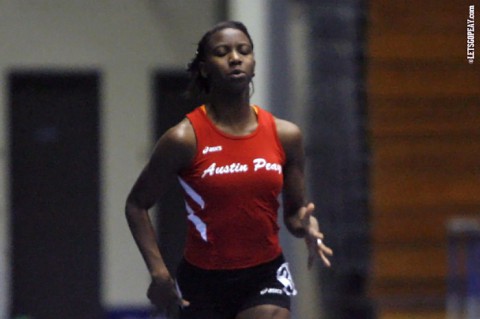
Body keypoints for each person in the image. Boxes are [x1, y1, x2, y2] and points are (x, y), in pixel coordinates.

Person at [125, 21, 333, 319]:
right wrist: (158, 272)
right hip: (202, 283)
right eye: (222, 52)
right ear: (205, 68)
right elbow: (136, 204)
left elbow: (294, 214)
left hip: (265, 274)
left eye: (243, 51)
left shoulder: (285, 135)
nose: (235, 58)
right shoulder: (184, 139)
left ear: (253, 63)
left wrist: (307, 227)